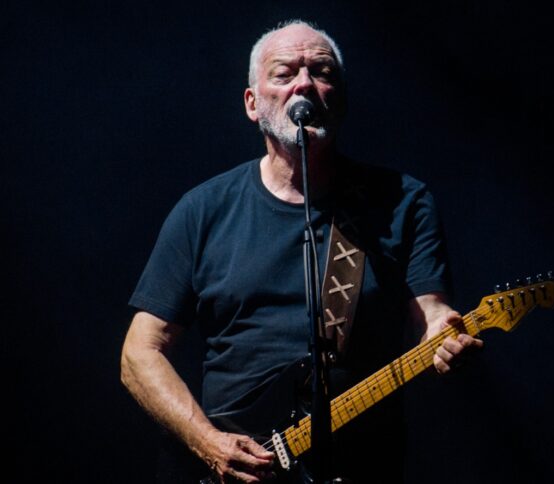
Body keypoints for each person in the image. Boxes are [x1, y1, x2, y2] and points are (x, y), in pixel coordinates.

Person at [120, 20, 482, 484]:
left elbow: (431, 316)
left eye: (321, 72)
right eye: (284, 73)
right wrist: (207, 443)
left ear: (341, 99)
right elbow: (140, 352)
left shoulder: (401, 201)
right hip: (232, 467)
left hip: (362, 462)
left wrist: (444, 335)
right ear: (252, 103)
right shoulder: (202, 210)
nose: (304, 84)